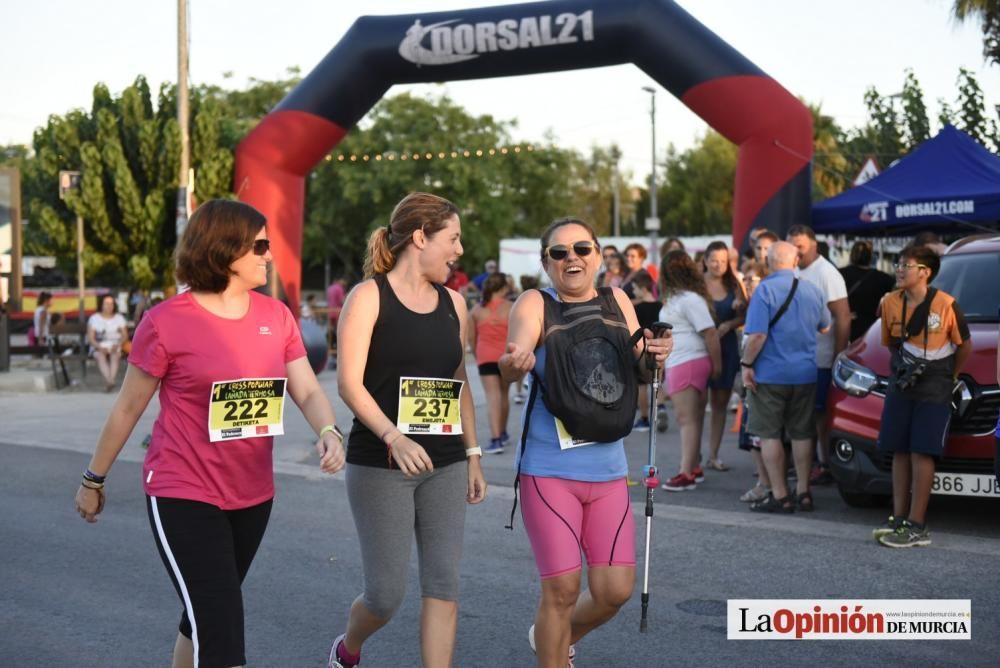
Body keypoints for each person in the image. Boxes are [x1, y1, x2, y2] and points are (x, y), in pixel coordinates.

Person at [73, 199, 346, 668]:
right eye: (260, 245)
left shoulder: (276, 316)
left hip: (253, 494)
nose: (269, 254)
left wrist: (328, 429)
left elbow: (304, 386)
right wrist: (93, 479)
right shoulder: (166, 322)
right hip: (183, 490)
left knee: (200, 616)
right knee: (220, 630)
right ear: (224, 249)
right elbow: (128, 408)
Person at [499, 217, 671, 668]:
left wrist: (657, 357)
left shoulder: (617, 300)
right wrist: (514, 363)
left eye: (580, 248)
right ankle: (554, 651)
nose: (571, 257)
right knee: (561, 590)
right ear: (546, 262)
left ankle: (551, 639)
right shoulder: (535, 302)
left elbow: (643, 369)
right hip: (549, 471)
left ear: (597, 254)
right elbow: (514, 359)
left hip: (609, 470)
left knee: (615, 591)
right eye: (559, 252)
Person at [329, 192, 486, 668]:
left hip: (446, 463)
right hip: (382, 462)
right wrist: (394, 437)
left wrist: (473, 453)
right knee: (385, 594)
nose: (459, 250)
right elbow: (349, 384)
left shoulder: (455, 304)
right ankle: (347, 648)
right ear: (420, 237)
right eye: (453, 238)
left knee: (444, 585)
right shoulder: (368, 297)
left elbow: (457, 384)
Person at [873, 245, 971, 548]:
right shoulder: (889, 302)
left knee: (921, 452)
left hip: (936, 386)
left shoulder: (946, 304)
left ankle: (917, 525)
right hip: (901, 385)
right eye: (898, 264)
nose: (899, 270)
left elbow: (964, 346)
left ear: (924, 273)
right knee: (899, 450)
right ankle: (899, 518)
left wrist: (948, 376)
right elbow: (889, 343)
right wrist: (906, 367)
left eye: (906, 265)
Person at [740, 242, 830, 513]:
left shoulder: (765, 289)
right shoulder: (813, 290)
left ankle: (780, 496)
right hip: (804, 372)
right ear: (795, 261)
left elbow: (757, 335)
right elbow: (825, 326)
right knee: (802, 433)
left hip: (769, 374)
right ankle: (804, 491)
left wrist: (746, 363)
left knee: (769, 435)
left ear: (769, 261)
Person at [786, 225, 850, 486]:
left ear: (814, 244)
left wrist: (838, 356)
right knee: (803, 415)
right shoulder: (793, 271)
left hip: (821, 358)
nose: (796, 252)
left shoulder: (827, 274)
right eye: (792, 247)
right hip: (798, 358)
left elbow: (843, 316)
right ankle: (808, 463)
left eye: (799, 246)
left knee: (819, 416)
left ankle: (824, 465)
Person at [660, 250, 722, 491]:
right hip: (687, 360)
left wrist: (717, 365)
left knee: (687, 420)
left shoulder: (687, 299)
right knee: (692, 419)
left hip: (687, 360)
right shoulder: (686, 298)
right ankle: (693, 468)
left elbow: (710, 332)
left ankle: (686, 472)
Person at [702, 241, 747, 471]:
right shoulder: (697, 285)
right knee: (696, 406)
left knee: (719, 404)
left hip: (727, 347)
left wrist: (730, 323)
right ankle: (691, 458)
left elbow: (746, 315)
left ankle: (713, 455)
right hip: (699, 348)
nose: (719, 265)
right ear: (705, 260)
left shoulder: (733, 283)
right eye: (714, 260)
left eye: (723, 261)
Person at [736, 261, 773, 503]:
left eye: (753, 279)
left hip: (760, 377)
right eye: (746, 279)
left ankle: (766, 483)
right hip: (753, 377)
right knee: (753, 435)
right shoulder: (750, 306)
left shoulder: (763, 304)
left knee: (756, 435)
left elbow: (759, 338)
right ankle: (766, 482)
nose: (748, 284)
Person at [470, 272, 513, 454]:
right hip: (505, 356)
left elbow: (471, 338)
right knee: (504, 396)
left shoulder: (477, 310)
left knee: (492, 397)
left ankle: (495, 439)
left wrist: (476, 353)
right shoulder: (511, 307)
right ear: (503, 288)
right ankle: (502, 433)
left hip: (485, 356)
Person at [840, 240, 895, 342]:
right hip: (872, 329)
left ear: (852, 255)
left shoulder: (839, 274)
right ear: (870, 257)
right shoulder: (883, 278)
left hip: (847, 327)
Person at [630, 270, 662, 432]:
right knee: (657, 379)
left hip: (641, 348)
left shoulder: (637, 309)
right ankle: (660, 407)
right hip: (658, 345)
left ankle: (644, 418)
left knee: (641, 384)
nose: (634, 292)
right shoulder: (660, 306)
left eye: (635, 288)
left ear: (643, 289)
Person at [87, 293, 130, 391]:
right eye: (106, 303)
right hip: (99, 345)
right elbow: (91, 338)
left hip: (115, 344)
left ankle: (110, 381)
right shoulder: (94, 318)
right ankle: (110, 381)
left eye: (111, 303)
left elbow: (125, 335)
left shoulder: (119, 318)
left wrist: (118, 344)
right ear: (101, 304)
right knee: (100, 356)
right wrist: (99, 346)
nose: (109, 306)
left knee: (115, 356)